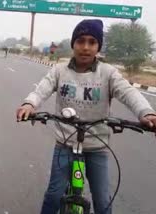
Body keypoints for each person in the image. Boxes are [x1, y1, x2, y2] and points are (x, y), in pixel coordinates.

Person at [16, 19, 156, 214]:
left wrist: (147, 113)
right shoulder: (59, 71)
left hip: (97, 147)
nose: (86, 47)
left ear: (98, 46)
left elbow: (129, 93)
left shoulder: (108, 73)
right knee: (54, 195)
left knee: (102, 200)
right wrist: (29, 104)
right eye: (81, 41)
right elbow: (41, 89)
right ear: (73, 44)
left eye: (92, 42)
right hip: (65, 144)